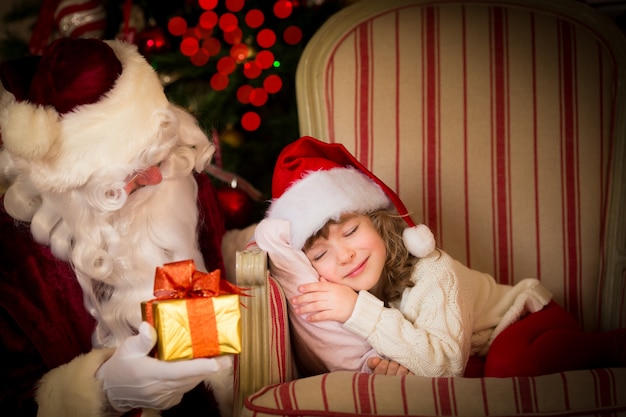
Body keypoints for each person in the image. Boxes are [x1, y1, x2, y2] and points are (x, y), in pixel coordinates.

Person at [254, 136, 626, 378]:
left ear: (381, 224)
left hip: (522, 321)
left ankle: (611, 344)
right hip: (469, 351)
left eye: (351, 232)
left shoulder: (433, 272)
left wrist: (356, 312)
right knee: (481, 377)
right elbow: (422, 353)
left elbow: (444, 365)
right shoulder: (352, 289)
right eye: (321, 254)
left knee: (507, 366)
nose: (346, 254)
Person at [0, 38, 237, 417]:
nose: (159, 177)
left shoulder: (180, 178)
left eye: (158, 154)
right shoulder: (15, 262)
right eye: (132, 176)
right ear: (76, 188)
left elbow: (221, 253)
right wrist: (101, 393)